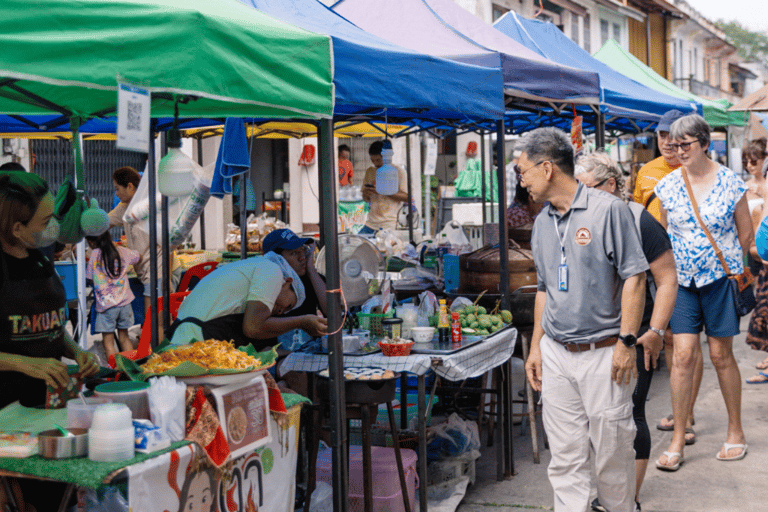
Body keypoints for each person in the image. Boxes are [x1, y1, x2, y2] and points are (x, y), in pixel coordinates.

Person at [520, 128, 648, 512]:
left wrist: (627, 342)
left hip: (604, 353)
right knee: (565, 459)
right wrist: (536, 347)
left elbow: (635, 277)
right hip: (557, 353)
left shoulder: (608, 210)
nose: (521, 181)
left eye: (524, 171)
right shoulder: (541, 222)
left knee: (613, 457)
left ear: (547, 169)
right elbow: (545, 289)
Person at [576, 152, 678, 512]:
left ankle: (627, 499)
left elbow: (667, 279)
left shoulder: (639, 220)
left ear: (611, 185)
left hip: (634, 333)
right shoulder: (576, 220)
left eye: (587, 188)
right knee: (595, 419)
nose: (580, 197)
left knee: (632, 411)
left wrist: (656, 330)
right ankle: (609, 492)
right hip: (592, 335)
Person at [654, 113, 752, 470]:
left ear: (705, 143)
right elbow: (663, 235)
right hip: (682, 282)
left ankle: (735, 431)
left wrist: (728, 263)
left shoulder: (730, 182)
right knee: (682, 356)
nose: (678, 151)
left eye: (686, 144)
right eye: (673, 144)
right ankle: (678, 437)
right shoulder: (667, 186)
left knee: (721, 355)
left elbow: (745, 234)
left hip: (719, 280)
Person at [0, 171, 100, 512]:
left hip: (48, 404)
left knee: (53, 497)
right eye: (45, 221)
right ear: (17, 228)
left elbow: (52, 325)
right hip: (7, 414)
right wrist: (27, 364)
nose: (53, 227)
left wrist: (76, 351)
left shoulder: (40, 258)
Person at [634, 109, 703, 435]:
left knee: (686, 342)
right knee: (668, 338)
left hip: (687, 266)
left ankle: (685, 415)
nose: (666, 142)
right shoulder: (646, 172)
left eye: (672, 137)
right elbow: (636, 213)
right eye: (662, 135)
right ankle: (681, 411)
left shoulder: (696, 171)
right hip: (653, 267)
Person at [168, 255, 327, 351]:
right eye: (288, 306)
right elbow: (253, 328)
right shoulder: (271, 270)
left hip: (185, 340)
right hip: (193, 343)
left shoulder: (253, 270)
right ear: (287, 281)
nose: (280, 312)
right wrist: (301, 322)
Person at [108, 166, 181, 334]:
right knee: (157, 322)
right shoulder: (124, 208)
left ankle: (160, 350)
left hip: (161, 270)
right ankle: (162, 347)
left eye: (117, 189)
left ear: (130, 187)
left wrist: (167, 278)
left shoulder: (151, 208)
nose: (116, 194)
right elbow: (104, 223)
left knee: (155, 323)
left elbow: (169, 244)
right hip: (148, 272)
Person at [261, 228, 327, 347]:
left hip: (310, 352)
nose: (302, 257)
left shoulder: (312, 279)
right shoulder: (264, 286)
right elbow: (262, 347)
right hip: (278, 355)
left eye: (303, 250)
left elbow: (331, 311)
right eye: (294, 253)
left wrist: (311, 269)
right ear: (277, 259)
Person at [85, 231, 140, 361]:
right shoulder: (121, 250)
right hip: (125, 304)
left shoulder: (94, 254)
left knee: (108, 342)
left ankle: (115, 370)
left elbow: (89, 278)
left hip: (106, 306)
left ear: (91, 243)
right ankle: (131, 367)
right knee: (124, 337)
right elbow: (139, 257)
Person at [740, 139, 768, 381]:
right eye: (746, 161)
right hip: (755, 251)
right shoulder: (745, 188)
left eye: (754, 161)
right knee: (761, 302)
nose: (750, 165)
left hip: (763, 249)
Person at [360, 140, 408, 233]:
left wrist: (383, 190)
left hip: (390, 225)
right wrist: (366, 193)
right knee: (356, 241)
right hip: (371, 223)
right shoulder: (370, 171)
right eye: (372, 160)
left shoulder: (399, 172)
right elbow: (365, 198)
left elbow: (406, 197)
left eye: (378, 160)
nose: (375, 164)